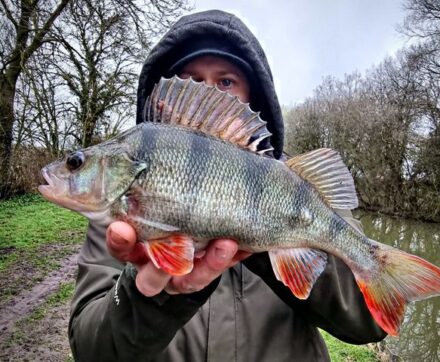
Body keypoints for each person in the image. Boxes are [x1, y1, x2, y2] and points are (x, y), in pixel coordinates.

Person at [68, 10, 386, 361]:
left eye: (225, 83)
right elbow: (89, 348)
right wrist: (148, 297)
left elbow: (369, 322)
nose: (206, 94)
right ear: (162, 97)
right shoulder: (119, 222)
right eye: (188, 79)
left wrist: (265, 238)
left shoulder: (297, 185)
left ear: (253, 98)